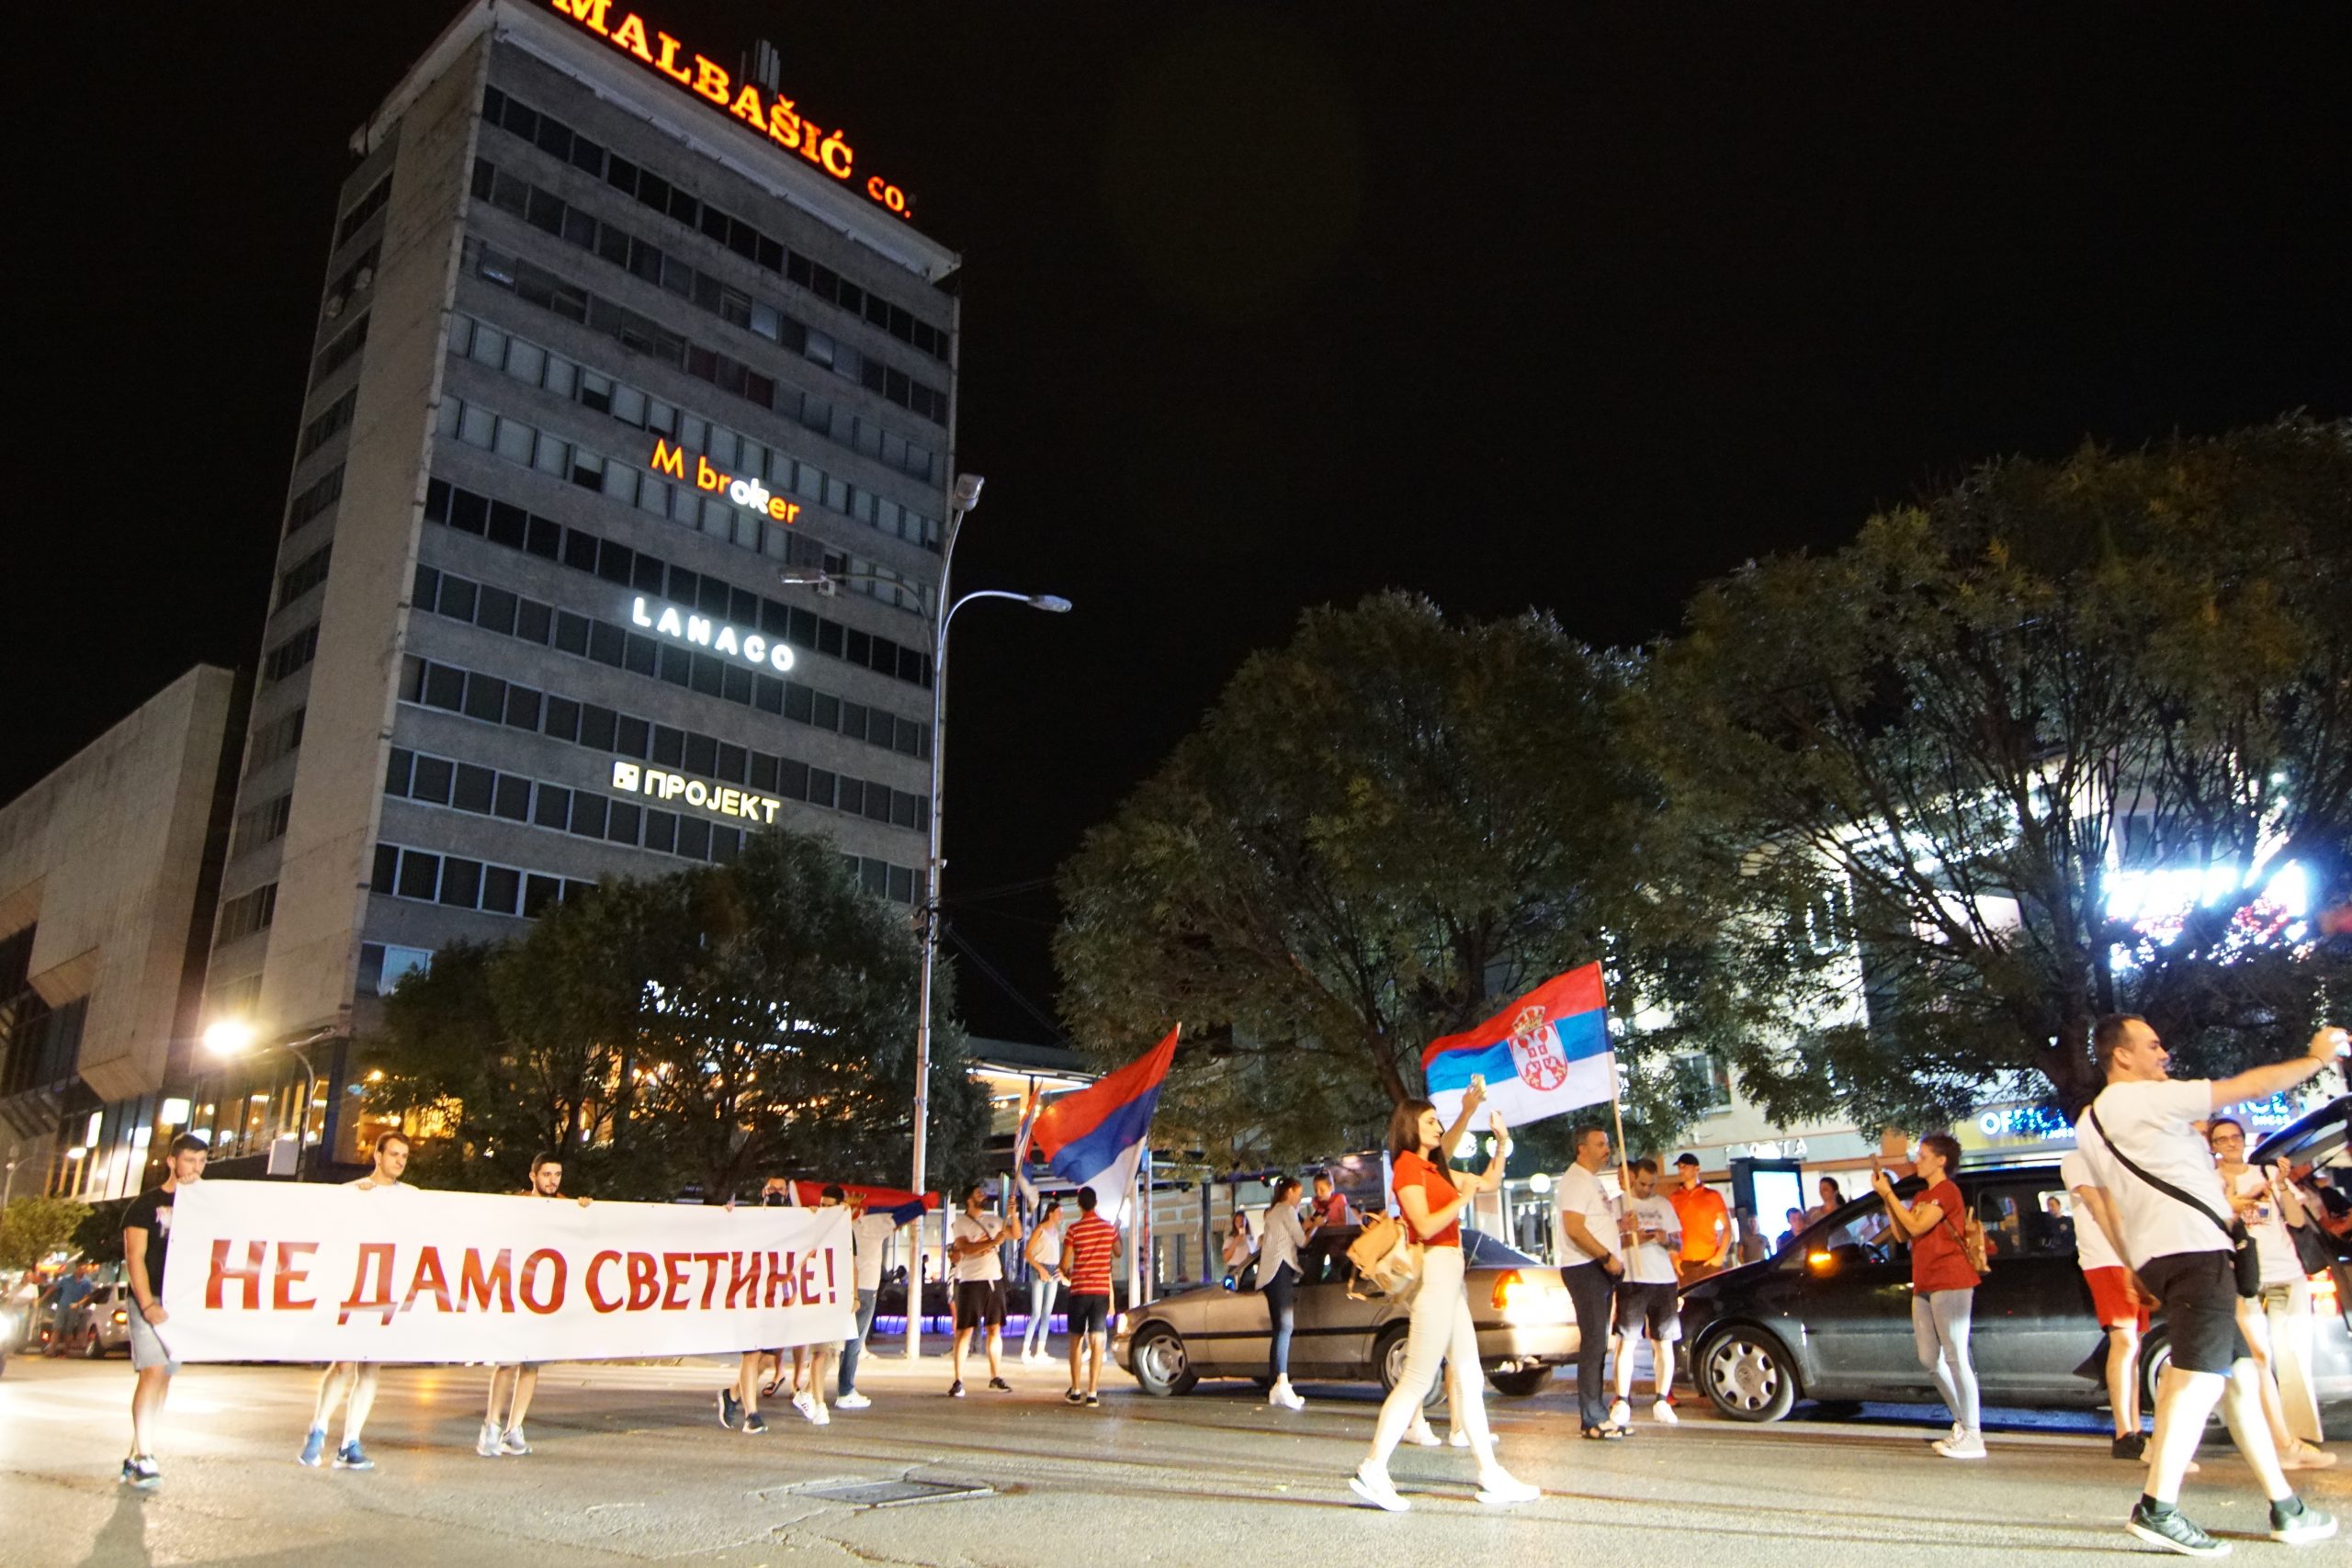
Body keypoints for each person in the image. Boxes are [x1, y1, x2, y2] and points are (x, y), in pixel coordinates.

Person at [2073, 1014, 2341, 1555]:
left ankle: (2286, 1507)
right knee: (2195, 1379)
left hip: (2164, 1255)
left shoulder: (2090, 1122)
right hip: (2195, 1252)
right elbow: (2251, 1085)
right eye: (2151, 1044)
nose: (2163, 1052)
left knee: (2238, 1378)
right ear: (2120, 1056)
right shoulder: (2144, 1100)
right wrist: (2316, 1059)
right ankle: (2158, 1508)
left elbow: (2108, 1204)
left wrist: (2134, 1265)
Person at [1349, 1082, 1537, 1511]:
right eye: (1430, 1121)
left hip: (1450, 1276)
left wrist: (1503, 1143)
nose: (1438, 1126)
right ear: (1410, 1128)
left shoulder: (1435, 1170)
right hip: (1433, 1273)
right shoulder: (1407, 1169)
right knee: (1417, 1377)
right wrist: (1462, 1201)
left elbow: (1489, 1181)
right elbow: (1426, 1225)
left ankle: (1490, 1475)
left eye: (1438, 1120)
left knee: (1470, 1375)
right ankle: (1373, 1468)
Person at [2209, 1118, 2334, 1467]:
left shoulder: (2264, 1174)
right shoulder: (2210, 1183)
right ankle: (2277, 1439)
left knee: (2294, 1356)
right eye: (2223, 1139)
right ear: (2213, 1146)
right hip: (2246, 1279)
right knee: (2259, 1359)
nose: (2231, 1143)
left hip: (2286, 1273)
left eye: (2235, 1137)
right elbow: (2221, 1220)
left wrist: (2280, 1186)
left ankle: (2301, 1437)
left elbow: (2295, 1221)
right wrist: (2241, 1199)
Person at [302, 1131, 413, 1471]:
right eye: (393, 1154)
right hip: (353, 1287)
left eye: (404, 1157)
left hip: (387, 1288)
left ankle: (350, 1440)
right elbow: (324, 1231)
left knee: (371, 1366)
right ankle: (319, 1427)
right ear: (376, 1156)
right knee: (345, 1363)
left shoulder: (412, 1197)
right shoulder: (351, 1192)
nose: (399, 1161)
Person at [1870, 1133, 1984, 1460]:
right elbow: (1903, 1232)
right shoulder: (1922, 1195)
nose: (1916, 1161)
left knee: (1956, 1355)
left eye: (1922, 1156)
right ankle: (1962, 1422)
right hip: (1924, 1282)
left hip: (1951, 1279)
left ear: (1941, 1160)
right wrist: (1887, 1199)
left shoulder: (1947, 1192)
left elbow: (1919, 1228)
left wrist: (1890, 1193)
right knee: (1928, 1359)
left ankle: (1973, 1434)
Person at [479, 1152, 590, 1458]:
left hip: (545, 1296)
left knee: (531, 1364)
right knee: (507, 1363)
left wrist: (585, 1211)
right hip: (517, 1293)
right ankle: (491, 1426)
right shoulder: (517, 1206)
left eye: (557, 1175)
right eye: (546, 1175)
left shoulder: (567, 1206)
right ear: (533, 1177)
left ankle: (513, 1429)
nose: (552, 1181)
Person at [117, 1133, 209, 1488]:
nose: (195, 1168)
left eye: (201, 1162)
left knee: (165, 1378)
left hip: (180, 1304)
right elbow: (134, 1256)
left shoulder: (204, 1203)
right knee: (152, 1373)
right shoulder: (146, 1204)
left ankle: (137, 1450)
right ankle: (144, 1455)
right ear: (172, 1161)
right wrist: (147, 1303)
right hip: (149, 1299)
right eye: (189, 1160)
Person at [2062, 1140, 2151, 1460]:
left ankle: (2135, 1428)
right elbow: (2098, 1206)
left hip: (2132, 1258)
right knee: (2125, 1341)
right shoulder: (2077, 1160)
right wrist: (2127, 1257)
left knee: (2134, 1345)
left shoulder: (2123, 1159)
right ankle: (2124, 1431)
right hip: (2105, 1259)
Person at [1554, 1123, 1624, 1439]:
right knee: (1594, 1340)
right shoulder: (1575, 1180)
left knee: (1599, 1341)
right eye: (1599, 1144)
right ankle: (1591, 1416)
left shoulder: (1591, 1182)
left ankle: (1598, 1413)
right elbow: (1574, 1227)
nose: (1606, 1149)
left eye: (1607, 1144)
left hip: (1597, 1268)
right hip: (1585, 1267)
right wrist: (1605, 1256)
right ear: (1581, 1148)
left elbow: (1593, 1222)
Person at [1608, 1156, 1684, 1429]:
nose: (1647, 1189)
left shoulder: (1662, 1204)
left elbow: (1678, 1242)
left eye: (1651, 1184)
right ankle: (1622, 1399)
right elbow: (1610, 1241)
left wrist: (1666, 1239)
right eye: (1642, 1183)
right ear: (1632, 1177)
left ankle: (1662, 1399)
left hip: (1663, 1280)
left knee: (1664, 1340)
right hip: (1633, 1279)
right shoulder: (1618, 1204)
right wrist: (1632, 1235)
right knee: (1626, 1340)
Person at [839, 1190, 925, 1409]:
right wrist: (923, 1202)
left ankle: (815, 1390)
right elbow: (905, 1214)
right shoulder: (872, 1224)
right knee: (854, 1342)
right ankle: (845, 1390)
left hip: (839, 1287)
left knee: (831, 1345)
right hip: (865, 1288)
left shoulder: (837, 1226)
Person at [946, 1182, 1023, 1397]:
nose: (983, 1195)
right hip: (971, 1281)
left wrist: (1013, 1214)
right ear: (969, 1199)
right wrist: (992, 1243)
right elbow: (965, 1248)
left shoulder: (994, 1221)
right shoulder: (961, 1223)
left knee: (994, 1328)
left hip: (994, 1280)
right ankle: (958, 1380)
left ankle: (995, 1376)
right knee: (965, 1332)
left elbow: (1015, 1234)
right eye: (978, 1192)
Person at [1257, 1176, 1326, 1410]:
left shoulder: (1274, 1211)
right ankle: (1282, 1384)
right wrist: (1315, 1227)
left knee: (1279, 1329)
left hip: (1269, 1274)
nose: (1299, 1198)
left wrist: (1306, 1224)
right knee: (1285, 1326)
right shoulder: (1286, 1209)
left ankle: (1274, 1384)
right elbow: (1301, 1241)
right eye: (1298, 1194)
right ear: (1289, 1193)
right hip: (1280, 1270)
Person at [1060, 1186, 1119, 1406]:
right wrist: (1116, 1232)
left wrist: (1068, 1273)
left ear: (1079, 1204)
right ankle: (1093, 1392)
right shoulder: (1108, 1228)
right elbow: (1119, 1251)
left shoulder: (1073, 1229)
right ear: (1096, 1203)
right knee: (1097, 1341)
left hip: (1079, 1290)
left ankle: (1075, 1390)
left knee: (1075, 1340)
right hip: (1100, 1291)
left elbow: (1065, 1264)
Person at [1668, 1155, 1732, 1281]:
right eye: (1679, 1167)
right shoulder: (1674, 1198)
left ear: (1696, 1169)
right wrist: (1674, 1257)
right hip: (1685, 1263)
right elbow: (1670, 1230)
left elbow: (1727, 1227)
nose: (1681, 1170)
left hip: (1709, 1261)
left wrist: (1719, 1256)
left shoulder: (1712, 1196)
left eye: (1684, 1167)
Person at [1021, 1197, 1066, 1364]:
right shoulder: (1040, 1229)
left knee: (1047, 1313)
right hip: (1040, 1268)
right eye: (1059, 1212)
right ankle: (1026, 1350)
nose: (1061, 1215)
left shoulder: (1055, 1232)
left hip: (1053, 1270)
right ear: (1051, 1213)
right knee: (1037, 1312)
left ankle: (1041, 1350)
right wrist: (1040, 1268)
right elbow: (1027, 1253)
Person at [1304, 1171, 1353, 1281]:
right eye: (1316, 1190)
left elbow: (1345, 1222)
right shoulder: (1316, 1203)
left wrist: (1326, 1224)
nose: (1318, 1193)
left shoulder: (1339, 1199)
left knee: (1338, 1269)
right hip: (1326, 1243)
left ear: (1331, 1188)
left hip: (1341, 1243)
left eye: (1322, 1190)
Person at [1220, 1210, 1256, 1286]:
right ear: (1234, 1224)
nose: (1240, 1222)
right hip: (1234, 1269)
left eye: (1242, 1220)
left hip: (1248, 1270)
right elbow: (1226, 1258)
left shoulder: (1250, 1239)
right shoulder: (1230, 1239)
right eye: (1237, 1221)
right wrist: (1236, 1241)